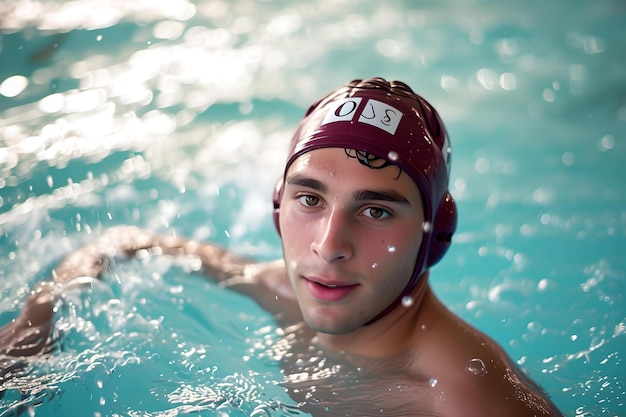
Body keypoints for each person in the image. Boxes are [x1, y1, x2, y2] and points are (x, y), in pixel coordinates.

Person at [0, 78, 563, 416]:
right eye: (310, 199)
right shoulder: (279, 289)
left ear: (435, 233)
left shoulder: (465, 395)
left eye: (376, 211)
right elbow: (123, 242)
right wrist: (38, 321)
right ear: (277, 205)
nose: (328, 246)